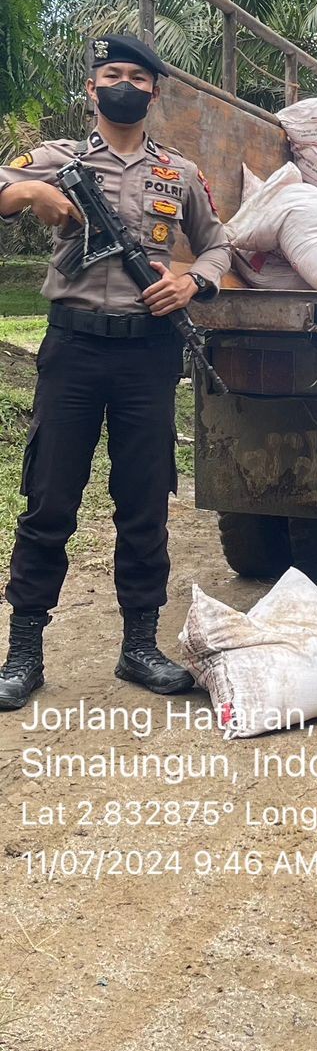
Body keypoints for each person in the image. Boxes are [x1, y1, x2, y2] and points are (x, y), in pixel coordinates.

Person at [0, 35, 231, 707]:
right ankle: (23, 653)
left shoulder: (178, 172)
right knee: (49, 500)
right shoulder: (57, 157)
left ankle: (138, 647)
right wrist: (35, 192)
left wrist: (193, 285)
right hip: (72, 350)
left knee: (143, 501)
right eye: (112, 73)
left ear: (154, 92)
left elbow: (218, 245)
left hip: (147, 355)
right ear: (93, 86)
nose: (124, 83)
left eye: (137, 75)